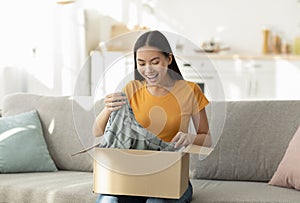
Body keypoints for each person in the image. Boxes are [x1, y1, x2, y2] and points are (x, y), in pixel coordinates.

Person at [93, 30, 211, 203]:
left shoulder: (190, 91)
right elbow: (97, 132)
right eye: (141, 63)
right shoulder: (132, 89)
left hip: (171, 178)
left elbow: (207, 141)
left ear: (168, 59)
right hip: (132, 179)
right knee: (108, 201)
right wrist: (107, 109)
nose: (148, 70)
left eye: (155, 62)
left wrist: (189, 138)